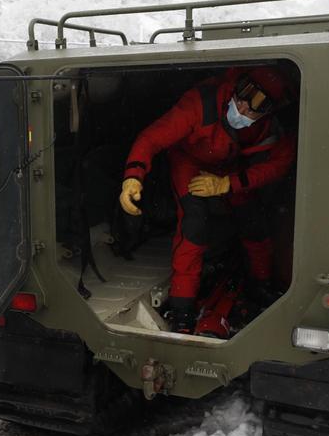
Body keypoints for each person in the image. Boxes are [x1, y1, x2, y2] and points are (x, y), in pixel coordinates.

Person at [119, 67, 296, 335]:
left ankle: (261, 282)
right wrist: (133, 177)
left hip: (231, 167)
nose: (244, 107)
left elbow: (277, 166)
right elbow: (151, 138)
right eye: (245, 94)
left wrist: (228, 184)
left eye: (257, 104)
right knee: (194, 224)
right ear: (237, 86)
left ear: (268, 111)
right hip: (190, 161)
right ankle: (182, 304)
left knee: (252, 220)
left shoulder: (268, 130)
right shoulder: (201, 104)